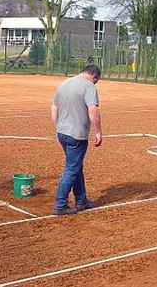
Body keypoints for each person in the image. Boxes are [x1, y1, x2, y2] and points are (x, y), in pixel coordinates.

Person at [50, 65, 102, 216]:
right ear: (94, 77)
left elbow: (54, 108)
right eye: (96, 81)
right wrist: (98, 132)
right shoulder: (88, 87)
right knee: (72, 169)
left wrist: (58, 128)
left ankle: (81, 201)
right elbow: (93, 110)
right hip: (76, 135)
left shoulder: (64, 84)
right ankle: (60, 205)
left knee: (76, 166)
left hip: (62, 133)